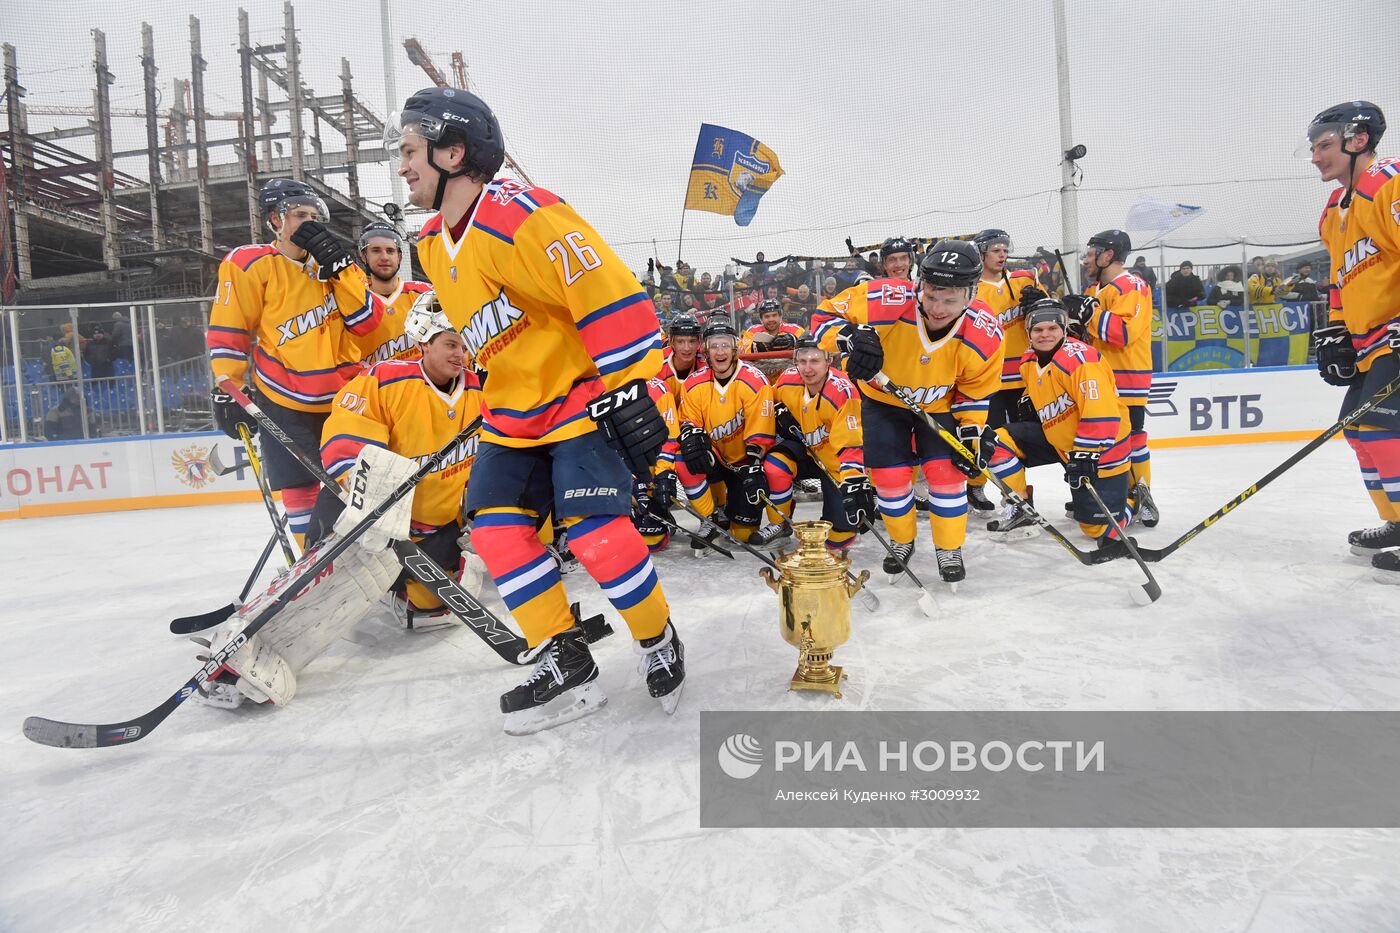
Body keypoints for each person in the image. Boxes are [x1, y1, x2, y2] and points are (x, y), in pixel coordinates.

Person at [389, 87, 682, 731]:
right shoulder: (433, 244)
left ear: (453, 152)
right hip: (512, 417)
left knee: (598, 535)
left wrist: (637, 388)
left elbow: (612, 297)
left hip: (582, 403)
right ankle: (565, 659)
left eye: (410, 151)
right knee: (495, 533)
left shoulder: (526, 215)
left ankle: (658, 638)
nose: (403, 166)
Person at [206, 177, 385, 549]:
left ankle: (355, 553)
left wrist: (341, 271)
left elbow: (368, 323)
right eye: (299, 214)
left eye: (315, 215)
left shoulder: (337, 266)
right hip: (282, 398)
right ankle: (312, 560)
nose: (309, 221)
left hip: (344, 398)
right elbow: (229, 331)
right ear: (275, 219)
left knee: (355, 482)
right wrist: (228, 387)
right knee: (298, 486)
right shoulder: (250, 264)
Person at [834, 240, 1004, 585]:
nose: (938, 307)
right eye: (931, 295)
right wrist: (850, 335)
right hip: (882, 400)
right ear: (919, 285)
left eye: (950, 299)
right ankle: (901, 540)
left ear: (970, 295)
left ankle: (949, 547)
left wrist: (971, 431)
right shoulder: (884, 300)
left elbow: (974, 391)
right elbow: (825, 317)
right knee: (890, 478)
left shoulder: (985, 331)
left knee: (947, 475)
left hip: (939, 405)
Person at [315, 293, 484, 626]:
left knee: (431, 612)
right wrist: (363, 493)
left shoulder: (481, 391)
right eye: (451, 344)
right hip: (371, 521)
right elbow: (349, 430)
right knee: (324, 601)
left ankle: (399, 590)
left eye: (465, 346)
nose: (460, 354)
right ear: (424, 342)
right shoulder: (387, 378)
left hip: (434, 531)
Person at [1307, 100, 1400, 582]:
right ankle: (1397, 523)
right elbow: (1341, 277)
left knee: (1386, 430)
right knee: (1359, 430)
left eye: (1324, 145)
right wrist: (1341, 331)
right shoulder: (1334, 208)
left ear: (1357, 139)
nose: (1316, 156)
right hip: (1370, 341)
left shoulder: (1389, 181)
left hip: (1395, 335)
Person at [984, 299, 1134, 559]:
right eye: (1038, 330)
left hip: (1102, 449)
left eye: (1052, 328)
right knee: (997, 441)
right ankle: (1021, 509)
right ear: (1028, 334)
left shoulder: (1081, 360)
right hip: (1061, 443)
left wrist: (1086, 454)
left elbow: (1101, 412)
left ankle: (1134, 500)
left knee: (1096, 529)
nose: (1045, 335)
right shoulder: (1028, 361)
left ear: (1064, 330)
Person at [1070, 229, 1158, 527]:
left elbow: (1121, 334)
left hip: (1126, 380)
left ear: (1108, 254)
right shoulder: (1095, 291)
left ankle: (1141, 493)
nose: (1085, 259)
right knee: (1097, 442)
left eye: (1091, 252)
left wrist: (1088, 314)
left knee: (1131, 438)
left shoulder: (1132, 285)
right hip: (1096, 381)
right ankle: (1107, 497)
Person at [757, 335, 871, 551]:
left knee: (838, 538)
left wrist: (854, 481)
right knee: (775, 465)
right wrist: (777, 409)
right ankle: (779, 524)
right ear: (795, 361)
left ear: (828, 361)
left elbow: (851, 443)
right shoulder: (787, 379)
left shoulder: (842, 391)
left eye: (815, 360)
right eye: (802, 360)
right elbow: (765, 402)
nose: (808, 368)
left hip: (835, 462)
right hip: (804, 450)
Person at [675, 318, 776, 550]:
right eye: (714, 345)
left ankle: (736, 510)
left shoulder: (754, 381)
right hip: (714, 458)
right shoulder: (693, 384)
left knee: (741, 534)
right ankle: (710, 517)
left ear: (734, 348)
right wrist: (693, 439)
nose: (720, 351)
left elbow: (761, 430)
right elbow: (689, 423)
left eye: (724, 345)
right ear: (706, 351)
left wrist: (754, 464)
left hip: (744, 462)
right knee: (684, 456)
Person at [966, 228, 1045, 514]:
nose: (1002, 254)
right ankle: (975, 484)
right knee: (988, 438)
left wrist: (1039, 304)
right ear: (982, 253)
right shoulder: (971, 289)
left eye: (1005, 249)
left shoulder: (1024, 279)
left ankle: (1017, 497)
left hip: (1026, 376)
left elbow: (1049, 317)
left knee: (1022, 440)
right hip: (991, 379)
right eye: (996, 249)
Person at [338, 220, 432, 367]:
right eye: (376, 250)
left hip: (421, 386)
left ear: (399, 257)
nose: (384, 257)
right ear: (363, 256)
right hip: (374, 387)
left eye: (390, 251)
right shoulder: (352, 300)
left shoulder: (424, 295)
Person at [657, 312, 706, 402]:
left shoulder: (708, 363)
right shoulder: (657, 366)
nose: (687, 348)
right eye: (680, 341)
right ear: (672, 342)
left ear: (699, 342)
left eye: (692, 341)